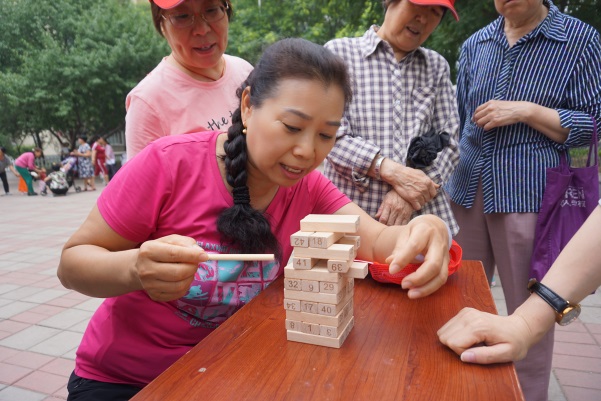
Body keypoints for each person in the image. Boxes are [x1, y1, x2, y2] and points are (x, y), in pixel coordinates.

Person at [58, 38, 451, 400]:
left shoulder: (309, 188)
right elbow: (72, 264)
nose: (306, 151)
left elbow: (382, 243)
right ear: (248, 106)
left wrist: (427, 229)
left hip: (229, 372)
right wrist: (135, 268)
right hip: (126, 380)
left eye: (326, 136)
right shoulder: (167, 164)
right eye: (293, 127)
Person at [443, 1, 601, 400]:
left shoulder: (579, 40)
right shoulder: (476, 43)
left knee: (528, 311)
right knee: (455, 298)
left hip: (528, 194)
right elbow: (462, 119)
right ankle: (455, 388)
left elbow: (592, 125)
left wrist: (528, 111)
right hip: (466, 188)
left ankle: (528, 395)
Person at [323, 0, 460, 234]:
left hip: (421, 221)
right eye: (417, 6)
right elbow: (327, 134)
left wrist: (409, 194)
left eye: (435, 13)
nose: (423, 19)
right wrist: (386, 168)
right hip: (349, 212)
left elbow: (449, 143)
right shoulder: (339, 54)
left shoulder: (436, 67)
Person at [438, 200, 601, 365]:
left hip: (525, 194)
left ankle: (526, 390)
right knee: (464, 313)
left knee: (526, 344)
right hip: (467, 190)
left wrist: (526, 324)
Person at [125, 0, 253, 159]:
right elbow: (142, 183)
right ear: (162, 26)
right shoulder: (147, 102)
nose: (202, 30)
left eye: (212, 10)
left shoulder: (245, 72)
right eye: (182, 16)